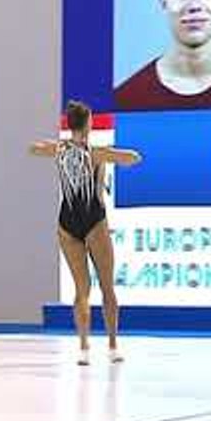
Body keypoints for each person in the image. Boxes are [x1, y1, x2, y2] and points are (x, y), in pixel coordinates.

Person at [30, 100, 142, 365]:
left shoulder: (60, 150)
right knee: (107, 287)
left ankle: (83, 347)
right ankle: (113, 345)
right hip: (92, 219)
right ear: (88, 123)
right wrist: (114, 155)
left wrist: (57, 147)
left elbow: (34, 148)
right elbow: (132, 158)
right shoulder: (95, 153)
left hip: (66, 222)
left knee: (82, 289)